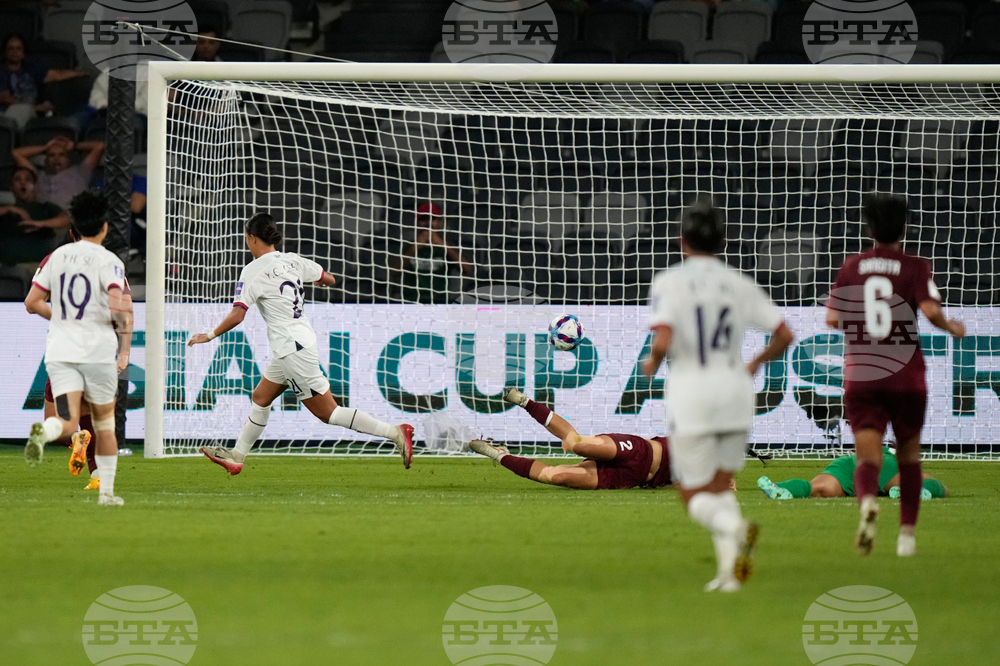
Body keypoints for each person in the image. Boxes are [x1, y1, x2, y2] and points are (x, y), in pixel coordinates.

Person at [643, 201, 794, 592]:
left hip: (692, 393)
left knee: (692, 493)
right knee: (721, 485)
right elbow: (785, 334)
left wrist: (653, 361)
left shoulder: (669, 280)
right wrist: (757, 361)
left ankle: (737, 529)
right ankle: (729, 576)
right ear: (723, 240)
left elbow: (663, 337)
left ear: (682, 241)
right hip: (735, 393)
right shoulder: (739, 282)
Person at [190, 212, 415, 473]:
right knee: (261, 397)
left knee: (328, 413)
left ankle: (396, 432)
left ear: (252, 239)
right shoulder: (292, 260)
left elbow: (238, 314)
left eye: (246, 238)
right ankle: (237, 457)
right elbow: (328, 278)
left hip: (292, 349)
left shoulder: (252, 270)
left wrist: (208, 336)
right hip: (296, 343)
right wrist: (315, 282)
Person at [826, 194, 964, 557]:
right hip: (905, 374)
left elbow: (831, 319)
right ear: (904, 227)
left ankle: (869, 501)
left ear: (869, 228)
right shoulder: (916, 266)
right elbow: (931, 310)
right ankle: (906, 536)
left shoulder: (852, 266)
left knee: (867, 458)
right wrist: (951, 326)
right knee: (909, 457)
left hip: (864, 375)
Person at [23, 190, 132, 507]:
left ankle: (42, 434)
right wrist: (124, 349)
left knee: (67, 423)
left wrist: (65, 315)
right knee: (104, 424)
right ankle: (107, 494)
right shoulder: (109, 261)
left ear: (72, 231)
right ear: (105, 228)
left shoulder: (57, 257)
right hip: (97, 351)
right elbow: (120, 308)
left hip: (61, 351)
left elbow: (32, 302)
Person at [469, 387, 675, 490]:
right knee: (578, 444)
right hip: (641, 451)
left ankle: (498, 455)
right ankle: (524, 401)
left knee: (555, 476)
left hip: (631, 479)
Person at [758, 445, 949, 500]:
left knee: (818, 488)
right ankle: (910, 491)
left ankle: (780, 488)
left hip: (849, 462)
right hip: (879, 463)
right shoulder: (893, 460)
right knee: (933, 485)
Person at [0, 33, 87, 129]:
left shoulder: (31, 69)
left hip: (30, 113)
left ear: (23, 53)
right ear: (5, 53)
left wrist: (82, 73)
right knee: (22, 111)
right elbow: (5, 98)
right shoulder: (2, 71)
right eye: (10, 48)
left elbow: (56, 75)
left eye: (18, 49)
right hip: (7, 113)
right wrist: (35, 107)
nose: (14, 52)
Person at [398, 202, 472, 304]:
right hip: (411, 301)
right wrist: (414, 248)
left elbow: (467, 269)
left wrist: (441, 244)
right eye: (424, 219)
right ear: (417, 223)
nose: (428, 223)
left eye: (432, 219)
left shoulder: (447, 247)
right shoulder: (408, 246)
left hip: (440, 301)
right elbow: (394, 271)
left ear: (440, 223)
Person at [0, 166, 71, 266]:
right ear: (11, 187)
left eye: (28, 179)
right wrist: (12, 209)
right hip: (8, 269)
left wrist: (40, 224)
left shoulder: (45, 208)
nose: (23, 183)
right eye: (17, 180)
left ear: (35, 186)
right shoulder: (5, 211)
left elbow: (67, 219)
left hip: (39, 268)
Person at [13, 136, 105, 211]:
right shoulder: (37, 176)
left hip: (72, 224)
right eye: (51, 155)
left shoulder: (80, 172)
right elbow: (17, 153)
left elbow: (99, 146)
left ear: (68, 160)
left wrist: (73, 146)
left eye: (61, 155)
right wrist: (45, 148)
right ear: (45, 160)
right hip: (43, 224)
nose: (56, 159)